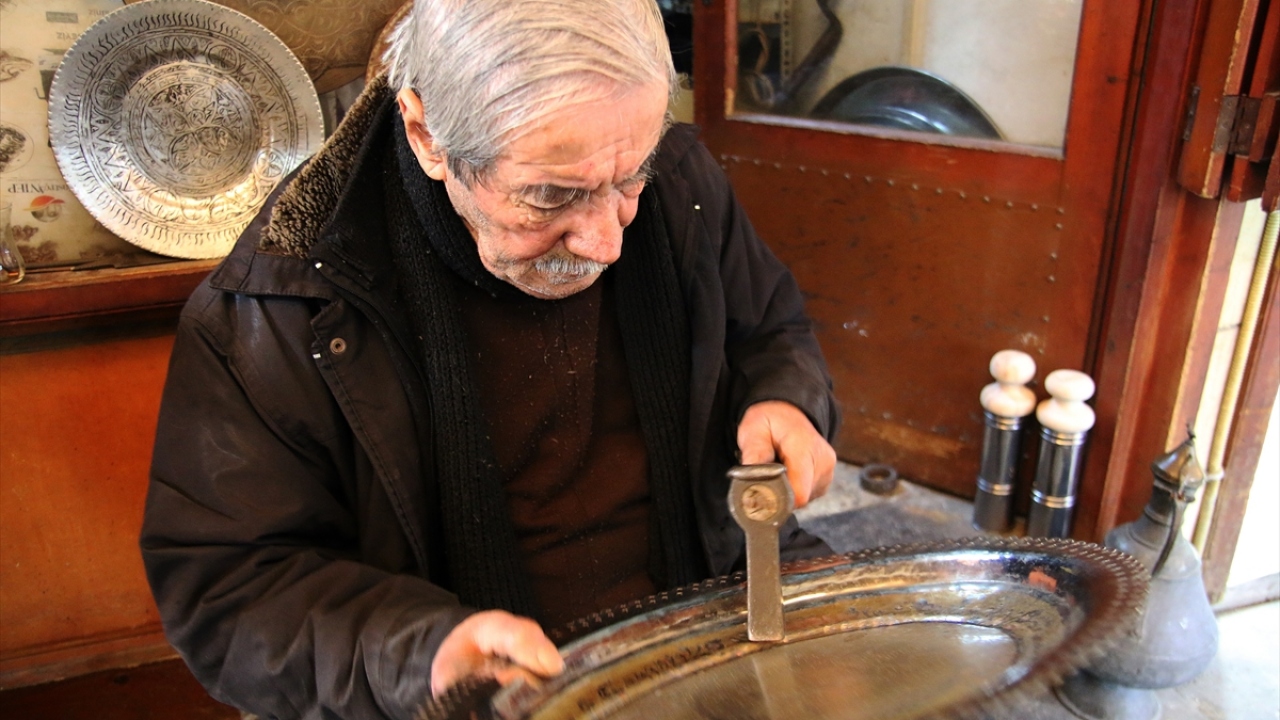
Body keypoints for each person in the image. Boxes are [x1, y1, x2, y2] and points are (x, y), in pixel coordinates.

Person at [140, 0, 839, 717]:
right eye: (550, 196)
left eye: (629, 181)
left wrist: (783, 397)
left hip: (706, 609)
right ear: (426, 135)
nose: (606, 242)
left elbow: (769, 328)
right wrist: (420, 652)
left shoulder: (680, 183)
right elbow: (229, 589)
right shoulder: (286, 299)